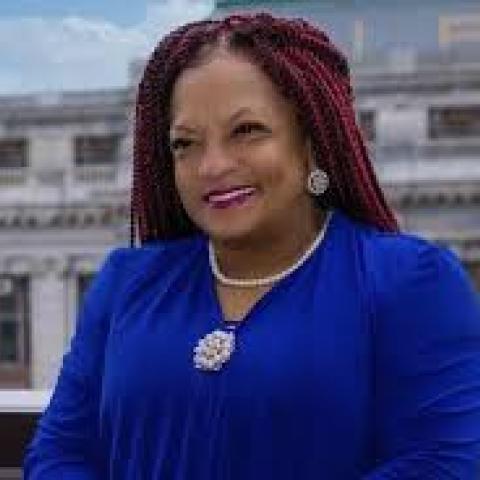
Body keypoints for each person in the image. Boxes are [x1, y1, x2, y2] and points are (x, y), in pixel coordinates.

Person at [24, 12, 480, 479]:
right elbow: (60, 453)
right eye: (185, 144)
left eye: (247, 131)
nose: (212, 166)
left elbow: (443, 463)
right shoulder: (127, 283)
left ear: (312, 143)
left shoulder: (411, 282)